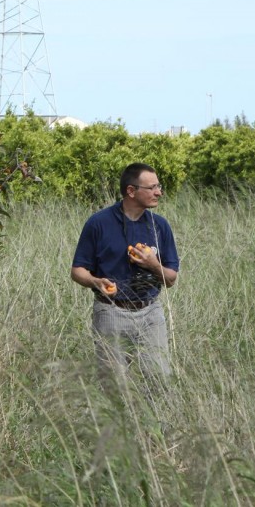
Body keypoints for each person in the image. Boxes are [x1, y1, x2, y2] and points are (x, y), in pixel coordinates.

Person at [71, 162, 180, 390]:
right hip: (111, 311)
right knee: (113, 386)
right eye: (152, 188)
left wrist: (152, 264)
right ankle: (118, 426)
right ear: (131, 191)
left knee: (159, 379)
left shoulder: (160, 226)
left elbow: (170, 279)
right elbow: (77, 270)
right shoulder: (98, 223)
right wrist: (95, 281)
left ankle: (157, 426)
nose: (159, 192)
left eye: (158, 186)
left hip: (151, 311)